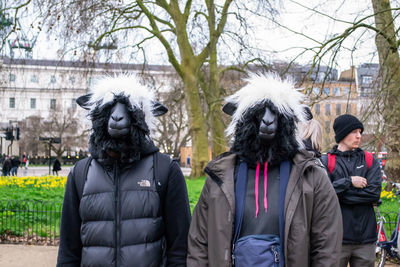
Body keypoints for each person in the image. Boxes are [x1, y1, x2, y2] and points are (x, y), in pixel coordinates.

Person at [188, 73, 342, 267]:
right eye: (259, 112)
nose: (268, 119)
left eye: (276, 112)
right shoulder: (220, 177)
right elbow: (199, 241)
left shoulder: (311, 175)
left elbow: (327, 243)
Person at [57, 75, 191, 267]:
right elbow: (69, 249)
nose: (117, 115)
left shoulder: (165, 170)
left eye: (128, 108)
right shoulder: (81, 172)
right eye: (109, 108)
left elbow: (180, 246)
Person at [321, 114, 382, 267]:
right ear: (342, 134)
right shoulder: (326, 161)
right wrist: (349, 182)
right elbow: (323, 194)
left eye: (360, 132)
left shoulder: (369, 159)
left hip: (365, 240)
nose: (359, 136)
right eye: (354, 131)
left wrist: (339, 193)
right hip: (336, 238)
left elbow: (373, 193)